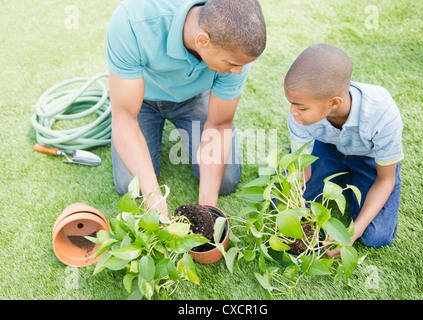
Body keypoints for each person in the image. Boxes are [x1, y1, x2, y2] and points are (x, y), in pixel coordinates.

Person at [106, 0, 266, 218]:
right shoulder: (131, 21)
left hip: (193, 97)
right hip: (141, 98)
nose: (238, 71)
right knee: (130, 187)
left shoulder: (236, 51)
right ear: (202, 40)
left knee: (226, 182)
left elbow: (219, 125)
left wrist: (207, 210)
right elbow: (125, 118)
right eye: (232, 64)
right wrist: (155, 199)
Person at [284, 44, 404, 258]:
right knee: (283, 211)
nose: (293, 113)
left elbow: (385, 180)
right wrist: (295, 208)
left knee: (376, 236)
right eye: (292, 104)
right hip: (326, 149)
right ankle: (346, 180)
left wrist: (352, 233)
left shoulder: (383, 112)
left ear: (334, 102)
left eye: (301, 108)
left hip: (370, 158)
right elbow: (302, 172)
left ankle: (352, 181)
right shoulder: (300, 113)